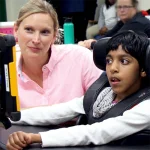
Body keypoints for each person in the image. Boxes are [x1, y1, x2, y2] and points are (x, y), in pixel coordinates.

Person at [6, 31, 150, 149]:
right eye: (109, 61)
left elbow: (98, 132)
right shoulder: (103, 93)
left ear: (143, 69)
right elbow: (58, 112)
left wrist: (36, 137)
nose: (113, 68)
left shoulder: (146, 106)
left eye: (124, 61)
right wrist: (8, 118)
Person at [14, 0, 102, 108]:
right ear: (16, 30)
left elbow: (105, 104)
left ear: (54, 36)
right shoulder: (5, 70)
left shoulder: (80, 58)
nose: (36, 40)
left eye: (45, 32)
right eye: (29, 30)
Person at [78, 0, 150, 49]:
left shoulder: (137, 22)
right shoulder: (123, 22)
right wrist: (94, 42)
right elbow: (109, 35)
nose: (122, 10)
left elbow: (115, 42)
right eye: (119, 7)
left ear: (134, 8)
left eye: (125, 7)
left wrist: (92, 44)